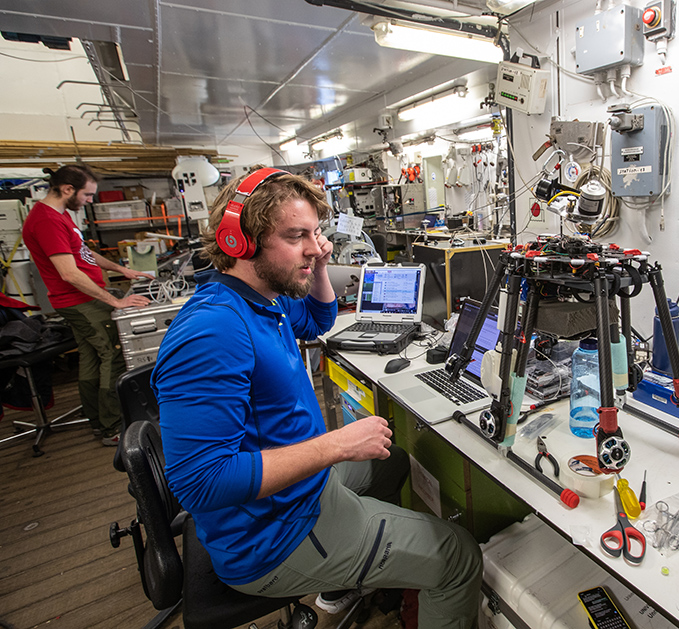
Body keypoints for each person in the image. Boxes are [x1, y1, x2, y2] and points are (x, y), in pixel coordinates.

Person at [151, 168, 482, 627]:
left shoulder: (262, 297)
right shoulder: (213, 330)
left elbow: (317, 319)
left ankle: (342, 584)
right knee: (458, 558)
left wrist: (317, 266)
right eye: (295, 236)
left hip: (297, 494)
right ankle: (350, 563)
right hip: (274, 537)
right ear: (238, 242)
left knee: (391, 462)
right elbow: (201, 482)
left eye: (315, 234)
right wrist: (336, 445)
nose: (314, 246)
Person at [22, 164, 153, 445]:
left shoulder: (61, 215)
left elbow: (85, 254)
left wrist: (124, 271)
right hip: (78, 301)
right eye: (88, 195)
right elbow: (69, 273)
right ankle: (112, 426)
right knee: (113, 354)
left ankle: (96, 419)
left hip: (83, 298)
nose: (90, 201)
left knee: (92, 357)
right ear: (67, 189)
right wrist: (116, 301)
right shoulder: (46, 221)